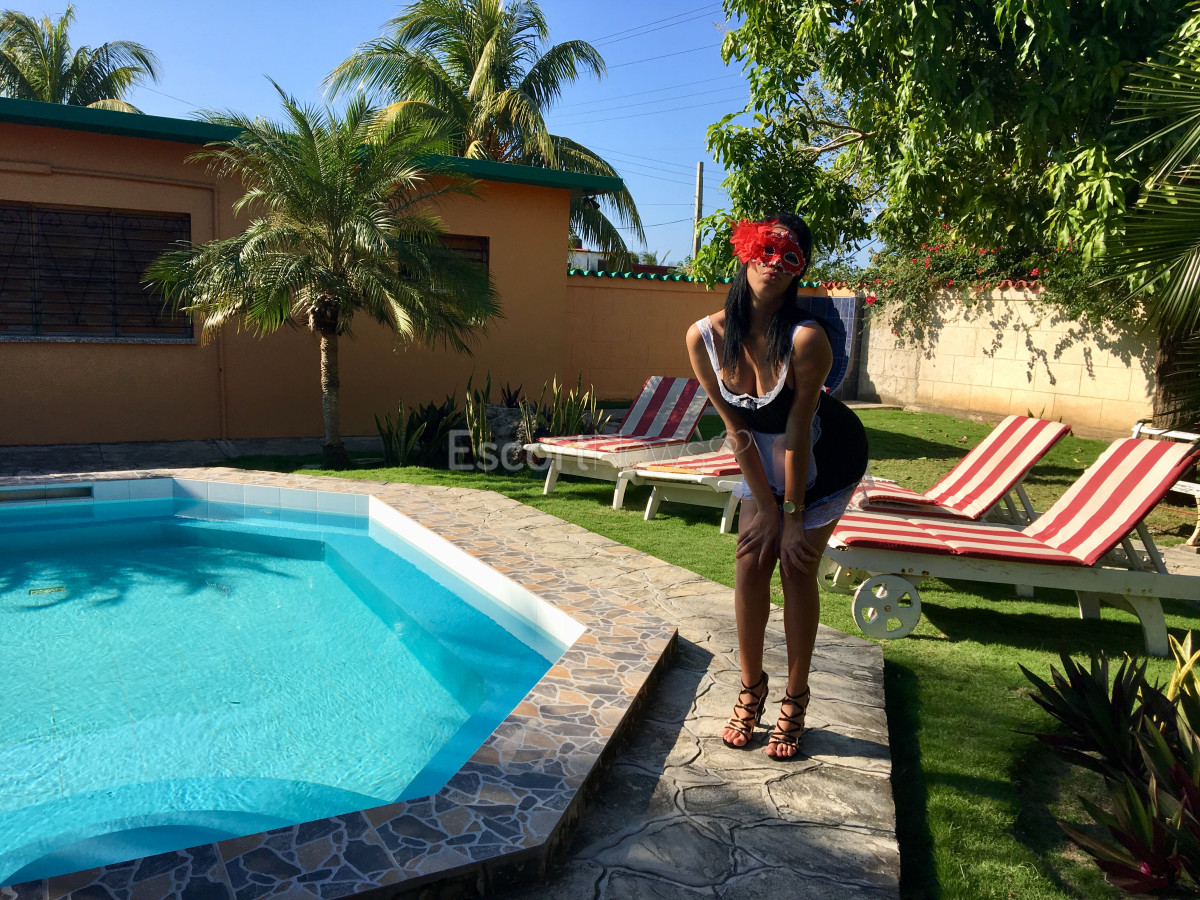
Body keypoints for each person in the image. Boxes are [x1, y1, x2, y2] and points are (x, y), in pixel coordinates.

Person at [684, 213, 868, 760]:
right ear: (745, 253)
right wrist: (764, 507)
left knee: (795, 565)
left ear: (800, 269)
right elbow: (735, 427)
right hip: (760, 454)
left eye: (790, 257)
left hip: (824, 455)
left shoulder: (807, 339)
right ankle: (751, 688)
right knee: (748, 562)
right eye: (766, 250)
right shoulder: (704, 337)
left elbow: (799, 429)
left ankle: (795, 697)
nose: (775, 264)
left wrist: (790, 516)